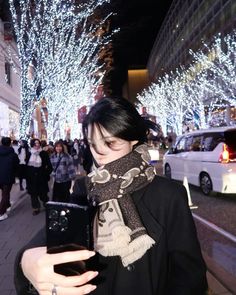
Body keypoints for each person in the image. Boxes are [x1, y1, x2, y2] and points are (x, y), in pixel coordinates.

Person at [14, 97, 208, 294]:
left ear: (133, 139)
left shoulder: (169, 195)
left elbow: (189, 276)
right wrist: (26, 262)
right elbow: (53, 239)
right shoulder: (84, 189)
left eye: (109, 142)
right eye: (92, 143)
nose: (98, 152)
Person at [26, 138, 52, 215]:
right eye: (35, 144)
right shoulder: (29, 154)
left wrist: (46, 173)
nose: (37, 145)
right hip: (31, 178)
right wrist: (27, 175)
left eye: (38, 143)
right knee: (33, 195)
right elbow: (26, 166)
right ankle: (36, 208)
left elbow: (49, 165)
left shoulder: (43, 153)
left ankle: (46, 203)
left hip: (41, 177)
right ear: (32, 144)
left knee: (43, 194)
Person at [0, 137, 19, 221]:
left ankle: (7, 205)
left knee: (5, 194)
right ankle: (1, 213)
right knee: (5, 194)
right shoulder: (13, 154)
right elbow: (16, 166)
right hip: (8, 177)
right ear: (10, 143)